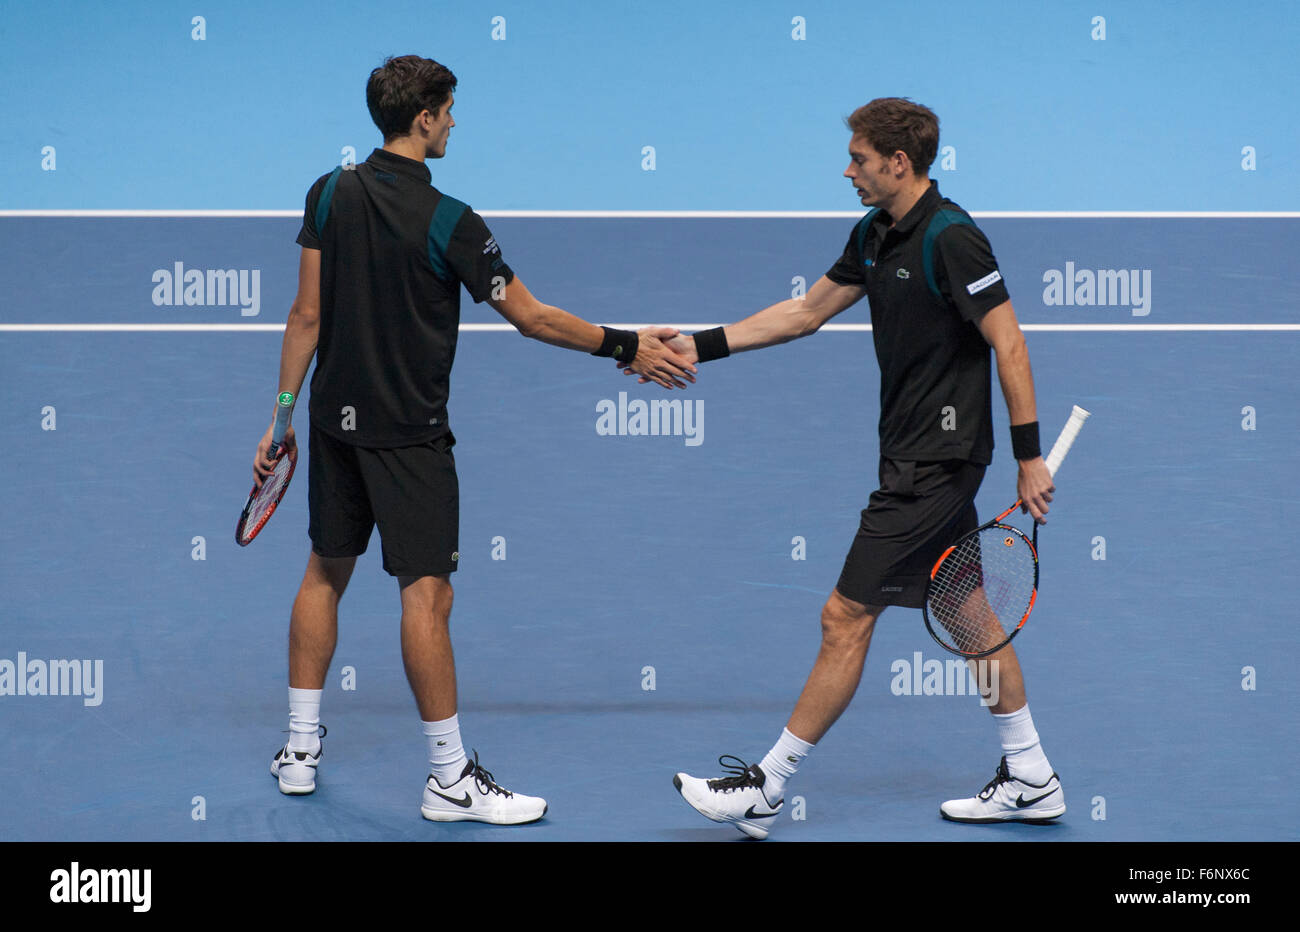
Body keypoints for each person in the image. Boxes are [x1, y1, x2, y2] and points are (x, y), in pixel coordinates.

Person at [256, 55, 695, 825]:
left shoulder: (328, 190)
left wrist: (283, 417)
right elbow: (533, 318)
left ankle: (297, 752)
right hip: (410, 438)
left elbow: (305, 317)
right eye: (450, 110)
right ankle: (449, 780)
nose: (455, 122)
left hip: (332, 423)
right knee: (427, 595)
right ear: (423, 117)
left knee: (326, 571)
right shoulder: (454, 222)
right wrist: (626, 346)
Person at [655, 98, 1065, 838]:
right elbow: (805, 313)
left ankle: (766, 785)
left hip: (934, 463)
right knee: (965, 610)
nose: (847, 170)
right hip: (910, 450)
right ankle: (1032, 774)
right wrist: (700, 344)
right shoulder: (875, 234)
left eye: (858, 159)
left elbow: (1010, 344)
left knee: (844, 615)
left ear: (897, 163)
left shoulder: (953, 239)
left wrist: (1029, 454)